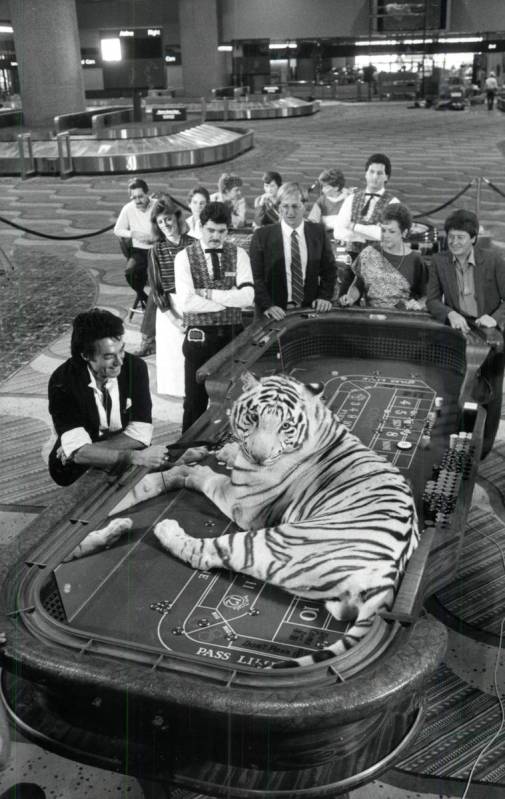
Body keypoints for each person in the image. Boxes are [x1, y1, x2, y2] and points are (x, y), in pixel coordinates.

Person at [48, 309, 168, 486]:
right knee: (67, 474)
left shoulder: (135, 367)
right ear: (86, 356)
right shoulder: (63, 381)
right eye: (109, 356)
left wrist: (84, 452)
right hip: (73, 466)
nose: (120, 362)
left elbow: (140, 434)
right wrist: (135, 457)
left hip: (96, 449)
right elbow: (80, 453)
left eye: (121, 351)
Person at [426, 209, 505, 458]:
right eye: (451, 237)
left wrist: (494, 318)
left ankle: (483, 449)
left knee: (490, 391)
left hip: (489, 328)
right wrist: (450, 313)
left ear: (473, 238)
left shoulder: (494, 260)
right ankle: (453, 441)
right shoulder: (438, 261)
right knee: (458, 386)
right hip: (459, 328)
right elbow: (431, 300)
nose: (454, 243)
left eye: (460, 237)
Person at [173, 202, 254, 431]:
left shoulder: (239, 254)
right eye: (211, 230)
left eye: (222, 231)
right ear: (200, 226)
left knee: (234, 399)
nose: (216, 236)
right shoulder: (183, 258)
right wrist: (228, 302)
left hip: (232, 338)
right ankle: (185, 451)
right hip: (199, 339)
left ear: (228, 230)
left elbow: (248, 296)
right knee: (194, 402)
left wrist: (209, 294)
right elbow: (187, 302)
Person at [250, 182, 336, 320]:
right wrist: (268, 305)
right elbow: (256, 278)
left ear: (304, 207)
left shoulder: (318, 232)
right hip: (272, 313)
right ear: (279, 208)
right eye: (285, 206)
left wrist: (324, 297)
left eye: (295, 206)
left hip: (308, 311)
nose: (290, 212)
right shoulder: (262, 236)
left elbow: (329, 270)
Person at [339, 203, 427, 310]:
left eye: (392, 231)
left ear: (404, 233)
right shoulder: (368, 253)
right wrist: (350, 298)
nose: (385, 235)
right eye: (383, 230)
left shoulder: (415, 260)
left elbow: (426, 296)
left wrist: (418, 305)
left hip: (403, 319)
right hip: (372, 318)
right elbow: (358, 284)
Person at [148, 197, 193, 397]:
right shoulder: (156, 250)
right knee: (174, 356)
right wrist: (173, 317)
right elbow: (156, 289)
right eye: (160, 222)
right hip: (170, 308)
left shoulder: (194, 244)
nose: (165, 224)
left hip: (195, 302)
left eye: (167, 219)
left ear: (176, 217)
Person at [113, 178, 157, 357]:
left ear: (147, 193)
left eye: (141, 196)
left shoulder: (157, 205)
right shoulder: (128, 209)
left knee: (156, 280)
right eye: (134, 198)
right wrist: (133, 233)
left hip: (155, 249)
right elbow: (117, 229)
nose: (138, 201)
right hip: (139, 250)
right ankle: (145, 300)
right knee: (130, 273)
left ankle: (151, 307)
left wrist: (155, 237)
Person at [333, 153, 399, 263]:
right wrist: (365, 236)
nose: (374, 177)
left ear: (386, 177)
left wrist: (353, 226)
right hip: (352, 259)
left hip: (381, 260)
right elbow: (338, 231)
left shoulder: (393, 203)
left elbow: (384, 234)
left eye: (379, 173)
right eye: (371, 172)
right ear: (365, 174)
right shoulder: (351, 198)